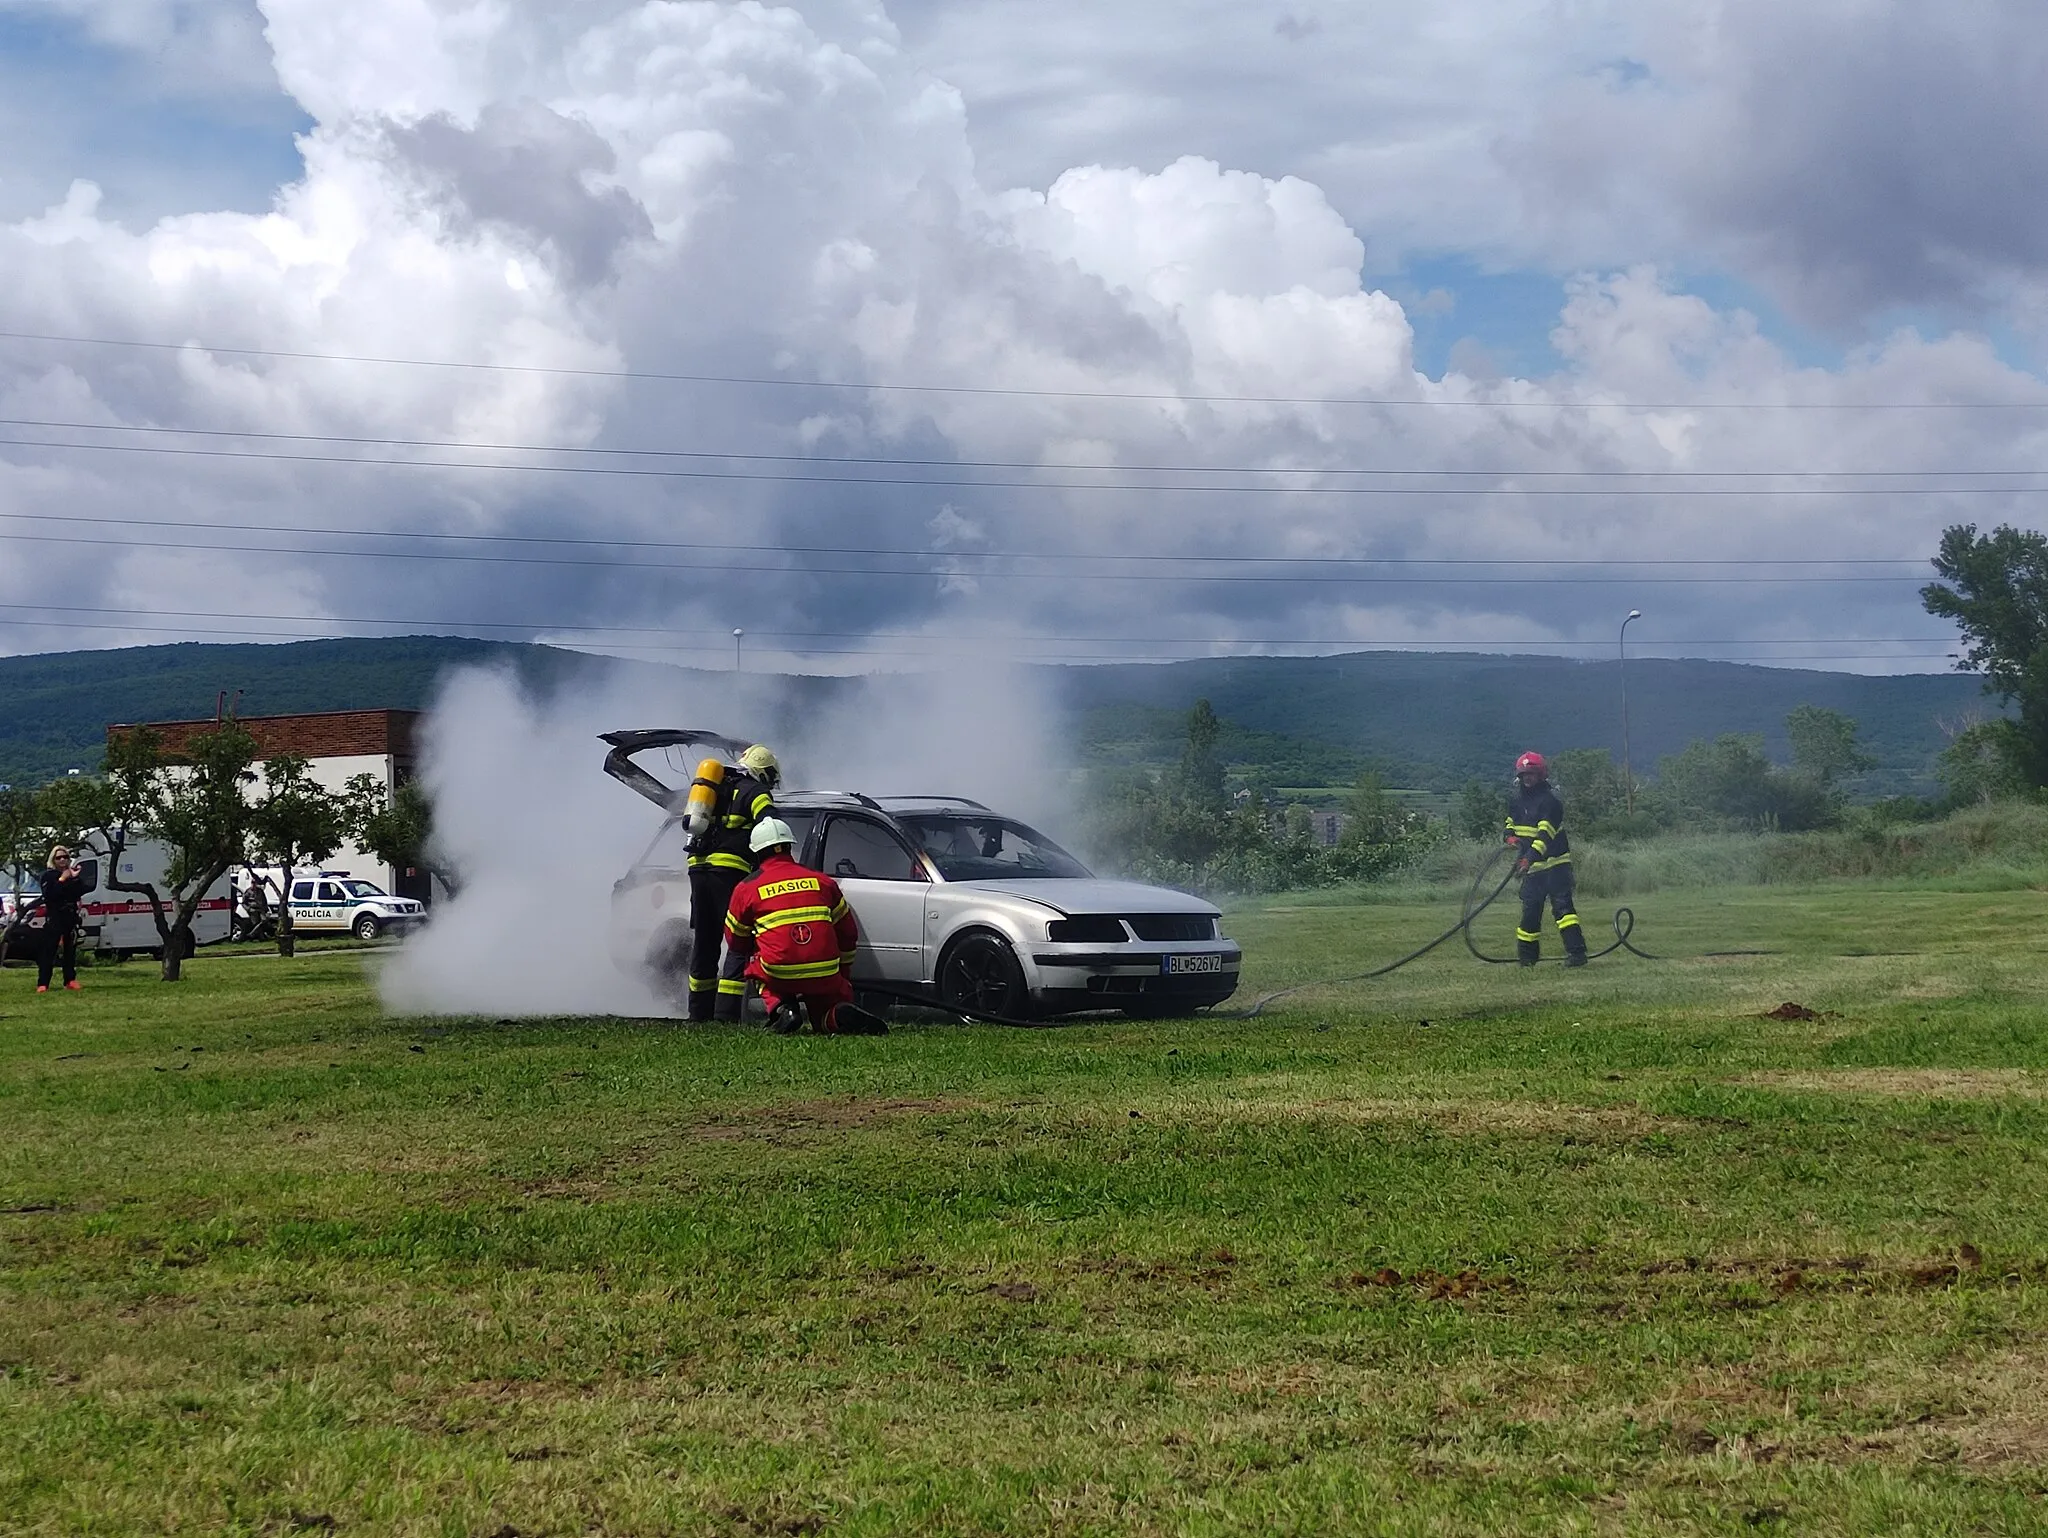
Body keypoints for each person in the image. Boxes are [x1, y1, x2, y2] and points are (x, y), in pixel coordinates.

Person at [722, 818, 886, 1035]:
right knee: (824, 1011)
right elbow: (848, 933)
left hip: (778, 971)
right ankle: (835, 1014)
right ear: (790, 846)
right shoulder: (822, 881)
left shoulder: (747, 888)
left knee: (753, 953)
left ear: (757, 853)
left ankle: (782, 1009)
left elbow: (735, 941)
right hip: (824, 969)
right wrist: (842, 973)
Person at [685, 743, 780, 1022]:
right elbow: (770, 825)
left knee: (705, 941)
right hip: (730, 874)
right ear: (763, 770)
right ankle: (726, 1014)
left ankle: (698, 1013)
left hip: (698, 871)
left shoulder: (717, 789)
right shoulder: (756, 792)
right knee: (738, 942)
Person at [1504, 752, 1587, 969]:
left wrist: (1527, 860)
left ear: (1540, 775)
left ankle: (1577, 954)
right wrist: (1509, 836)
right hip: (1532, 869)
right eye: (1524, 775)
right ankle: (1527, 959)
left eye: (1531, 774)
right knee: (1530, 912)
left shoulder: (1550, 803)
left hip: (1555, 865)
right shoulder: (1516, 800)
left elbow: (1544, 837)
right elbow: (1511, 822)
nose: (1527, 778)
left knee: (1563, 911)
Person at [35, 845, 86, 993]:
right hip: (55, 916)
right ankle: (43, 983)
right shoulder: (48, 876)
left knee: (70, 950)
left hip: (70, 916)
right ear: (53, 860)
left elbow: (79, 892)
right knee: (49, 951)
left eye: (65, 857)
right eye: (59, 857)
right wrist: (62, 880)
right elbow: (50, 895)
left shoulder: (71, 875)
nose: (62, 860)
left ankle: (70, 980)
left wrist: (75, 878)